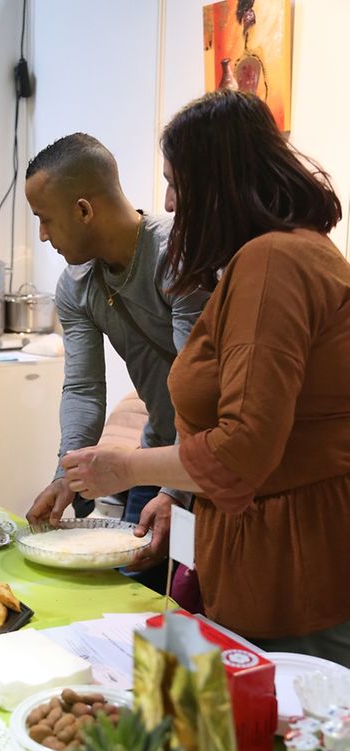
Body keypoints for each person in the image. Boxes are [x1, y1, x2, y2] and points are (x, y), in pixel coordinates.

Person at [63, 91, 350, 666]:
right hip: (264, 553)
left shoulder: (274, 263)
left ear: (217, 184)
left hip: (292, 571)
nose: (168, 201)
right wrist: (180, 493)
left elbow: (242, 445)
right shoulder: (282, 254)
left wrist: (126, 468)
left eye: (176, 183)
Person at [24, 133, 207, 590]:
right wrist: (67, 474)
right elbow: (84, 388)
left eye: (45, 220)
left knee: (188, 615)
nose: (42, 235)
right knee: (124, 596)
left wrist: (174, 491)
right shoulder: (75, 285)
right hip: (158, 449)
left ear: (84, 210)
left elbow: (199, 390)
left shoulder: (178, 256)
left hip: (210, 461)